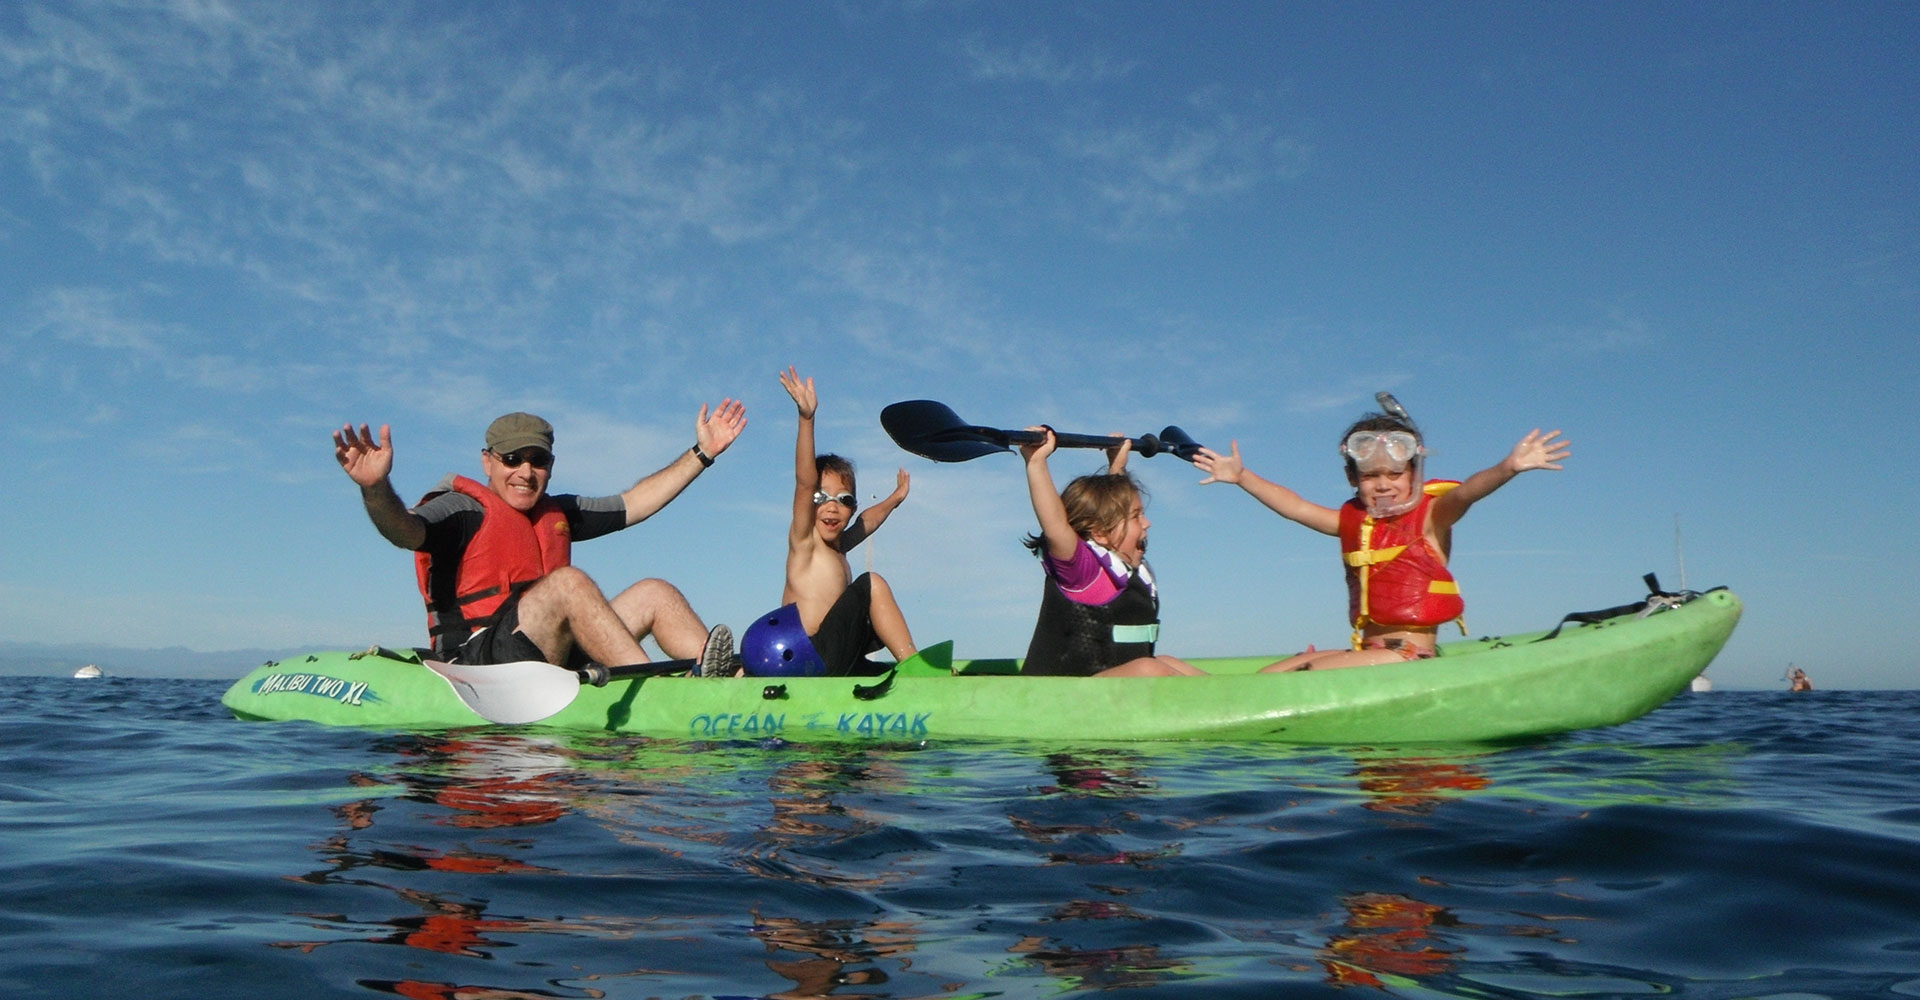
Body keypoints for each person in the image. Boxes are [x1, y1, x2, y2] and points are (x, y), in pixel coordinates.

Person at [332, 402, 747, 676]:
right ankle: (656, 694)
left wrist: (702, 453)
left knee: (656, 592)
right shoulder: (459, 509)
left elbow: (637, 502)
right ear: (487, 462)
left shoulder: (558, 512)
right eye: (512, 459)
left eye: (538, 461)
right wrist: (374, 488)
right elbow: (403, 531)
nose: (525, 472)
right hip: (479, 665)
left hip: (549, 660)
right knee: (569, 584)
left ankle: (732, 688)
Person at [1193, 398, 1568, 672]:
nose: (1383, 486)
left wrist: (1509, 467)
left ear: (1413, 475)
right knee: (1272, 673)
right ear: (1352, 479)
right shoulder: (1353, 523)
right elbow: (1296, 507)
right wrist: (1242, 478)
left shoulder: (1432, 517)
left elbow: (1469, 490)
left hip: (1409, 657)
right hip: (1368, 653)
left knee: (1316, 672)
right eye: (1371, 477)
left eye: (1394, 475)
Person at [758, 366, 916, 676]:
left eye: (844, 500)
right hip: (810, 654)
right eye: (822, 498)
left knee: (873, 623)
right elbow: (805, 482)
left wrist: (895, 498)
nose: (833, 508)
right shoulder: (805, 542)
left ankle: (884, 672)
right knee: (871, 583)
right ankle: (913, 664)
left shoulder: (839, 546)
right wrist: (807, 419)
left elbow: (867, 521)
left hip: (838, 651)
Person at [1019, 427, 1207, 677]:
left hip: (1111, 697)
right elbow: (1055, 526)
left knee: (1166, 661)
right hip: (1062, 699)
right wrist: (1036, 462)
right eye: (1136, 516)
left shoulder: (1127, 567)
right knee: (1148, 668)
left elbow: (1113, 511)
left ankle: (1235, 700)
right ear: (1099, 533)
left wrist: (1116, 465)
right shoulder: (1083, 572)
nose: (1147, 523)